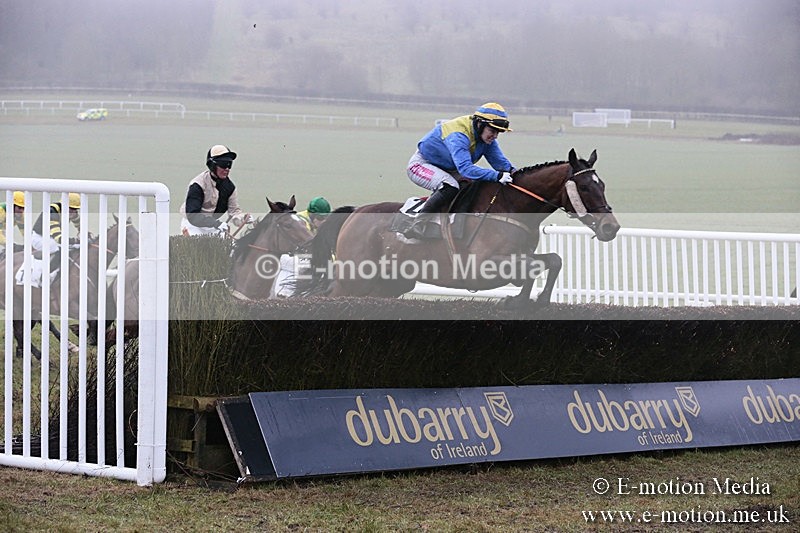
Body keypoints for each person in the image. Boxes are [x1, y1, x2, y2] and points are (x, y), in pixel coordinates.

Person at [403, 102, 516, 239]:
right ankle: (418, 225)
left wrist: (515, 174)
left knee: (474, 185)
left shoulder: (485, 138)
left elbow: (500, 163)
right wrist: (497, 176)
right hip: (422, 164)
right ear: (480, 124)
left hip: (450, 168)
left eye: (498, 132)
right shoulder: (459, 135)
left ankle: (458, 225)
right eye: (493, 131)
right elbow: (466, 169)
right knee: (450, 186)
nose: (495, 136)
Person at [180, 144, 251, 237]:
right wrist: (216, 224)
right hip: (192, 225)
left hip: (213, 225)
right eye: (223, 164)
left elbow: (234, 212)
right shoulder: (197, 185)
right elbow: (193, 216)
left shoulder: (230, 187)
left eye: (229, 164)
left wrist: (243, 218)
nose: (227, 169)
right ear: (212, 165)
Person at [270, 196, 331, 298]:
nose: (324, 221)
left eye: (326, 218)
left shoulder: (317, 225)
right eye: (320, 218)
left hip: (300, 257)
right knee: (307, 265)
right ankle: (284, 294)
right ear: (311, 215)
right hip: (288, 258)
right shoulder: (301, 222)